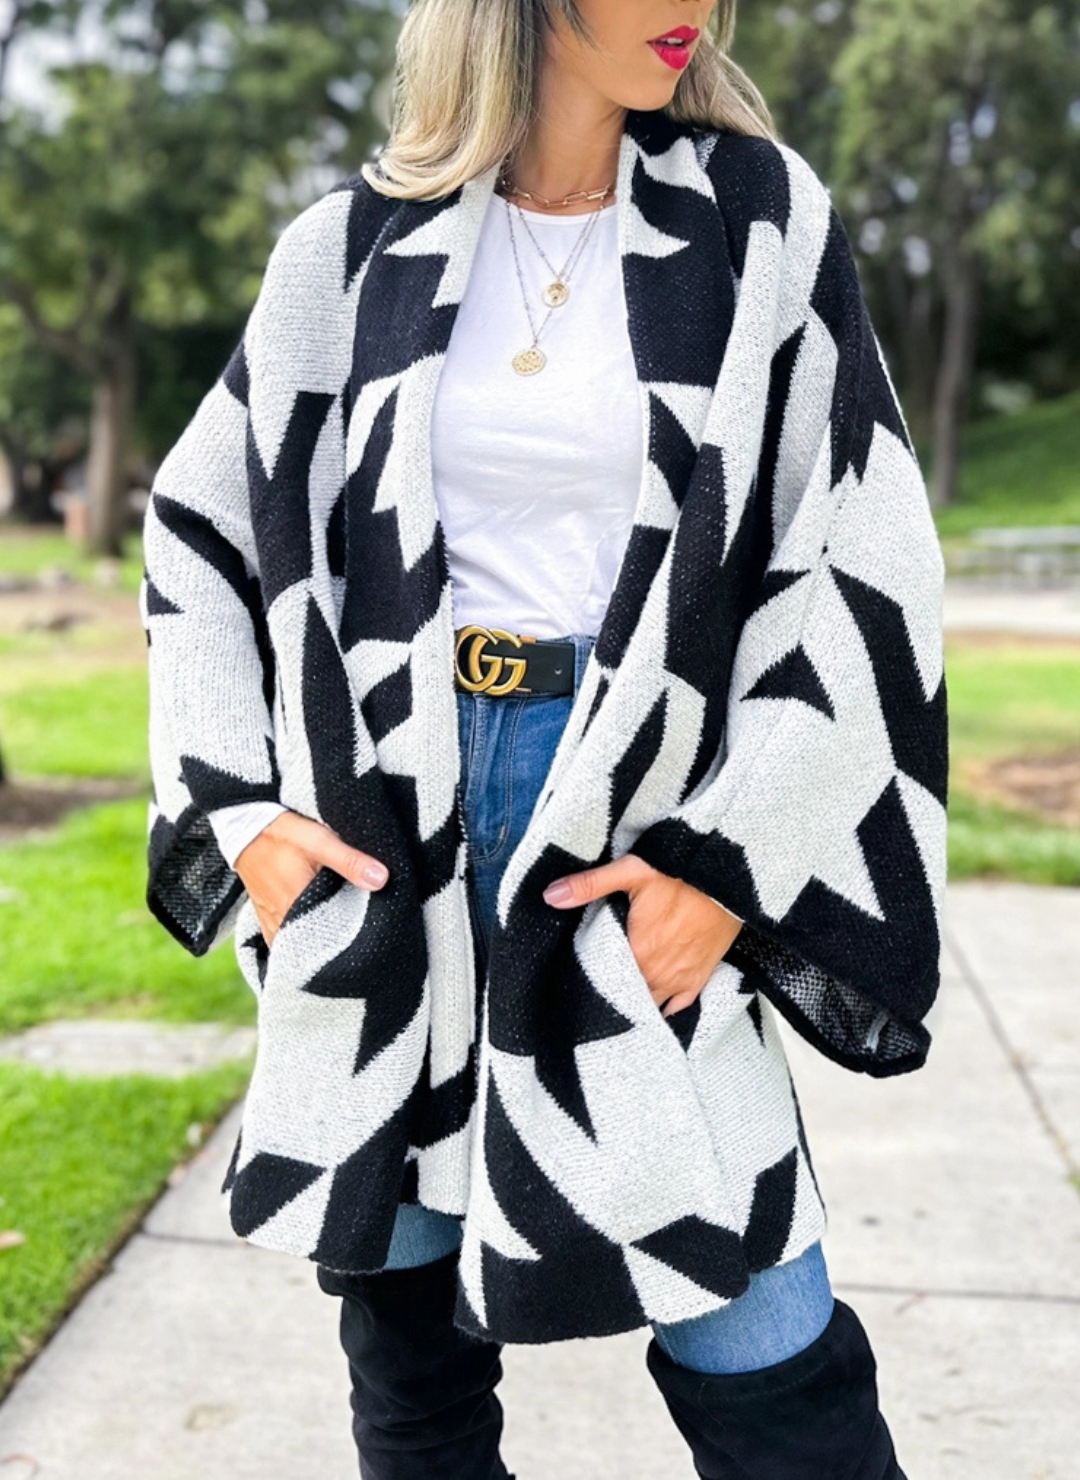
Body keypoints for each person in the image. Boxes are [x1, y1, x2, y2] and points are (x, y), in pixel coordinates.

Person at [141, 1, 949, 1475]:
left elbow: (866, 550)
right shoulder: (348, 252)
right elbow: (196, 533)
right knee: (411, 1372)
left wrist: (734, 863)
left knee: (769, 1349)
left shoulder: (758, 224)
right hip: (394, 839)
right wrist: (239, 817)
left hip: (638, 821)